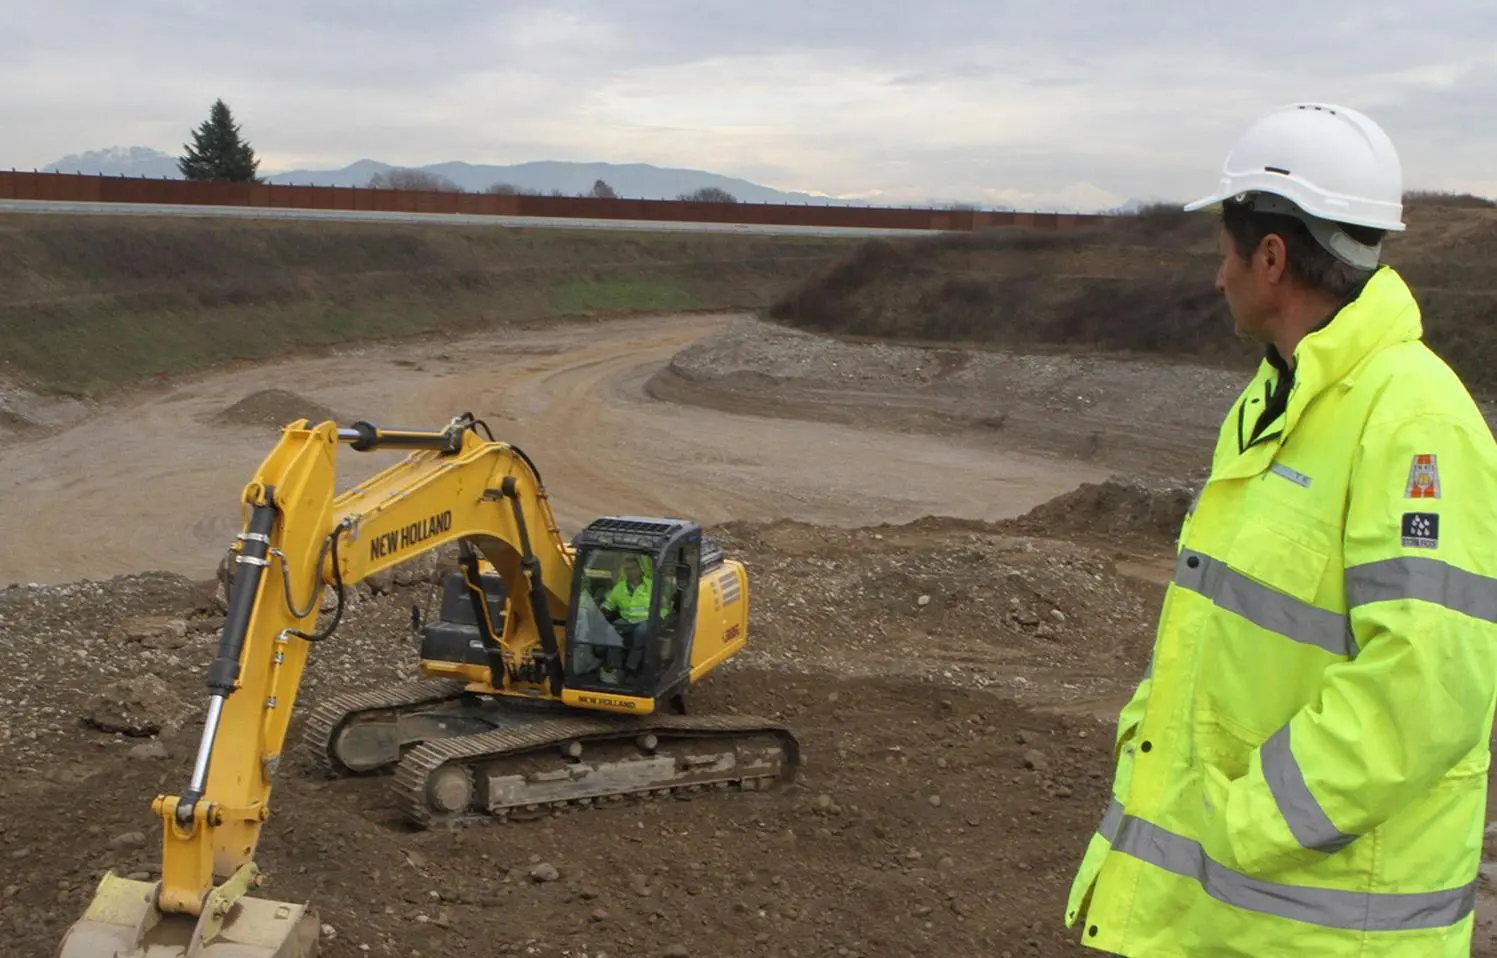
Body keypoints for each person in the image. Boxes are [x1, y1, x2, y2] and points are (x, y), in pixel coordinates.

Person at [1063, 102, 1497, 956]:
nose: (1215, 277)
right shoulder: (1276, 402)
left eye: (1223, 253)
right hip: (1232, 918)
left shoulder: (1413, 423)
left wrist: (1243, 819)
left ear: (1270, 258)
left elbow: (1426, 689)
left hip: (1318, 929)